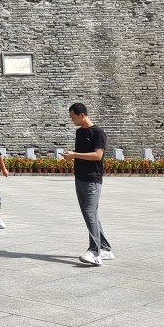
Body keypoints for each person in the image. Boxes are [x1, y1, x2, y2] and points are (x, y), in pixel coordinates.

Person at [64, 102, 113, 266]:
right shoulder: (79, 132)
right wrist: (71, 156)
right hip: (80, 178)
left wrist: (75, 155)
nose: (72, 120)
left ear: (82, 115)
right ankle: (105, 249)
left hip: (93, 180)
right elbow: (81, 154)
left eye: (73, 117)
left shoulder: (98, 132)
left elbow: (98, 155)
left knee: (90, 213)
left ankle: (94, 253)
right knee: (91, 215)